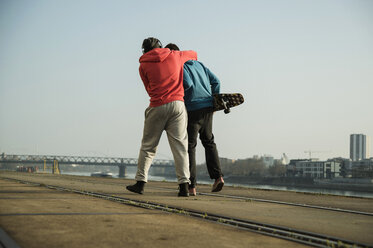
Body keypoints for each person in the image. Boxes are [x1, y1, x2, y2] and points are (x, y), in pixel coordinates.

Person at [126, 37, 197, 197]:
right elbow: (194, 54)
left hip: (157, 105)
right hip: (178, 105)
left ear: (145, 51)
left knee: (148, 147)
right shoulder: (175, 55)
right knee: (180, 147)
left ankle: (140, 184)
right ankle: (184, 187)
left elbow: (148, 88)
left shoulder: (142, 65)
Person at [165, 43, 224, 196]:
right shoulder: (200, 64)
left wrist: (182, 99)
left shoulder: (179, 66)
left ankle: (191, 186)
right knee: (209, 141)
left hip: (192, 108)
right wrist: (215, 101)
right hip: (208, 107)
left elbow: (188, 84)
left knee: (189, 146)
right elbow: (216, 81)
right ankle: (218, 177)